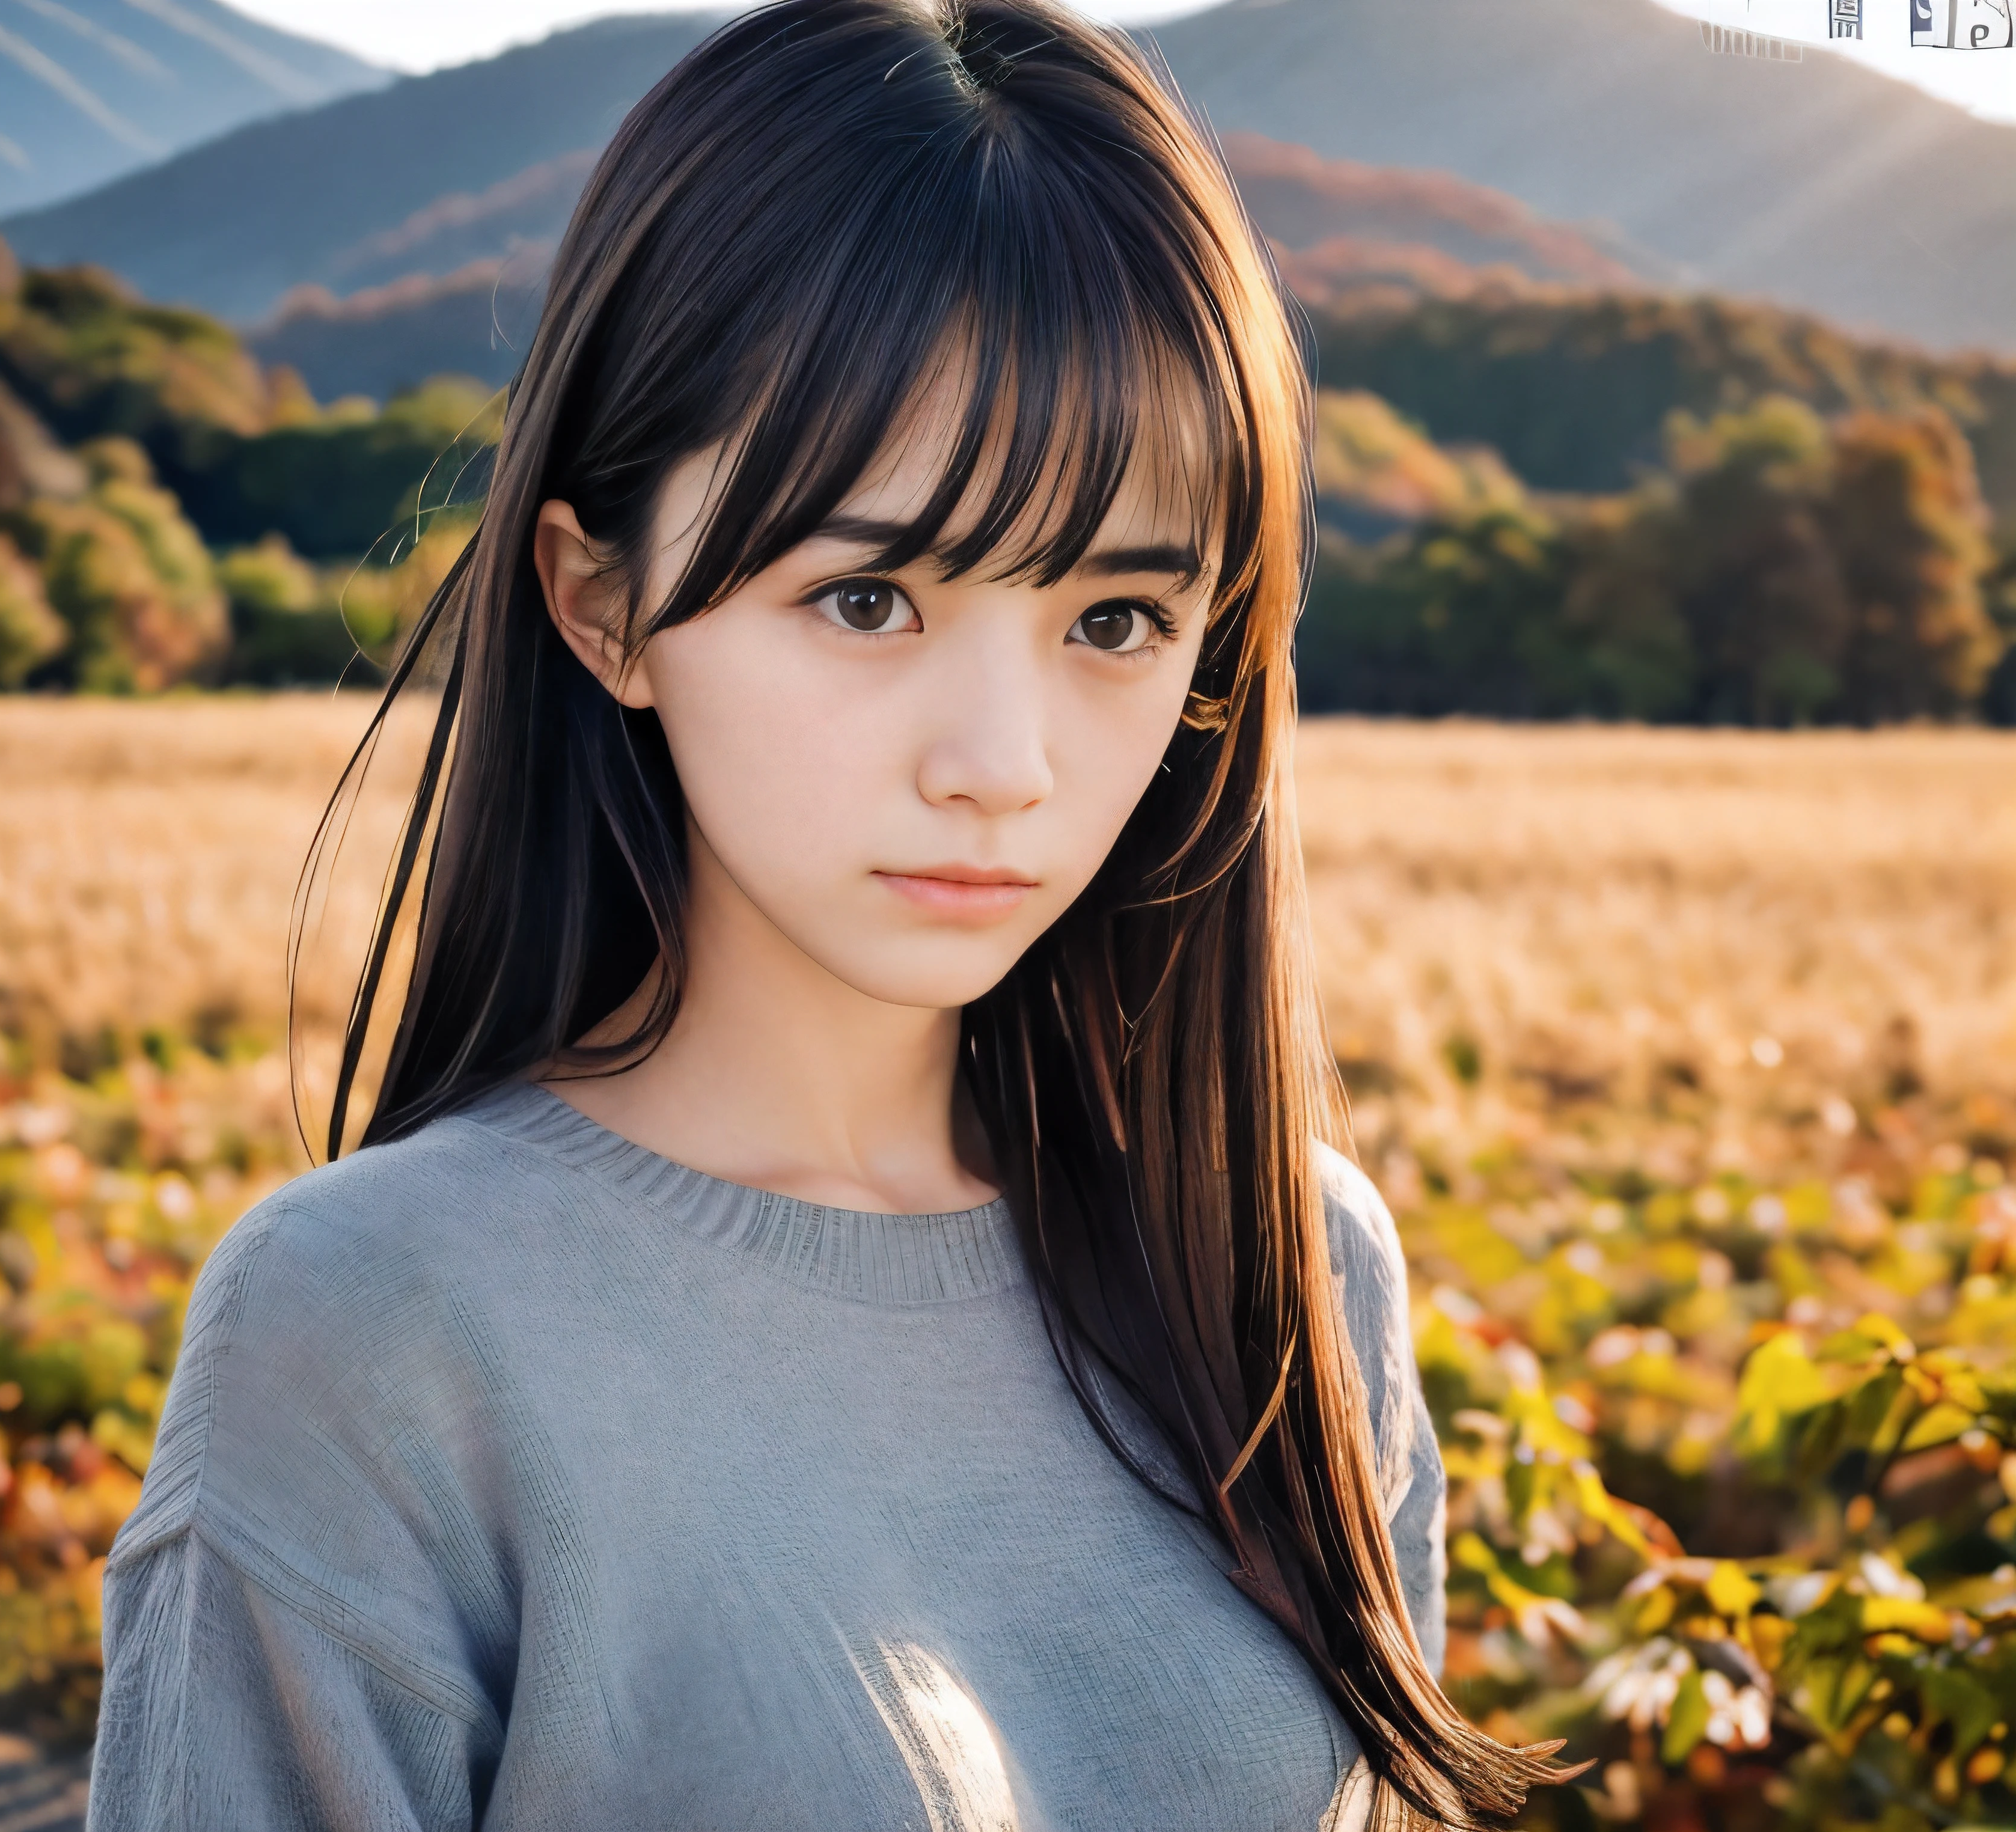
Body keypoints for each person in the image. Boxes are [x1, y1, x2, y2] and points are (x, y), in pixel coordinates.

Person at [87, 2, 1568, 1825]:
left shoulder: (1284, 1264)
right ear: (601, 602)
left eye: (1117, 620)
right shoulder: (378, 1331)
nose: (1005, 765)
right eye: (870, 600)